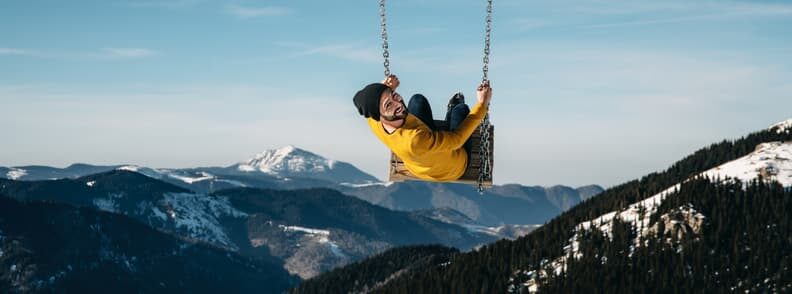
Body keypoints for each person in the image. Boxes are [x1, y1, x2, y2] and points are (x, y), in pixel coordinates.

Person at [353, 75, 493, 182]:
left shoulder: (375, 121)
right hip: (452, 167)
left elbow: (372, 103)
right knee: (460, 110)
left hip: (418, 165)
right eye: (388, 105)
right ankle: (453, 110)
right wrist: (482, 103)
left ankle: (451, 114)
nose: (398, 103)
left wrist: (384, 87)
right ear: (379, 115)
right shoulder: (414, 140)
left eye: (394, 95)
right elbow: (456, 140)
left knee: (416, 100)